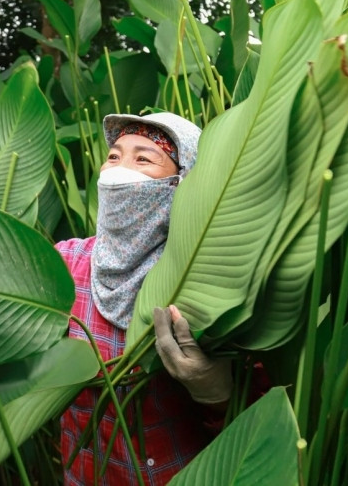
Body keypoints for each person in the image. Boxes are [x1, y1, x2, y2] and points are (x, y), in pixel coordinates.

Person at [56, 112, 234, 485]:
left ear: (181, 182)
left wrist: (216, 392)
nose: (119, 171)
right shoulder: (65, 264)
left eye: (143, 159)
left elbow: (257, 421)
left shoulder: (207, 281)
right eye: (114, 156)